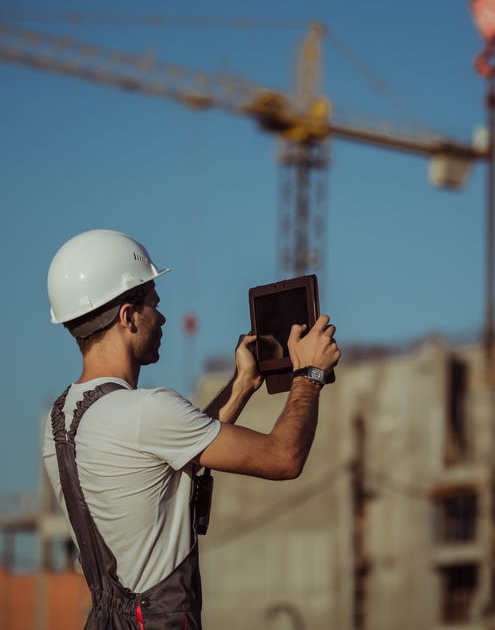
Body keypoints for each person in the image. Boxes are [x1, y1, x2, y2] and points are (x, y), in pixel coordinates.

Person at [41, 228, 340, 630]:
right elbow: (283, 457)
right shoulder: (147, 411)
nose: (162, 317)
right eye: (153, 304)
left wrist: (242, 385)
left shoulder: (61, 418)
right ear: (129, 316)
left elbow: (167, 460)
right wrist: (310, 373)